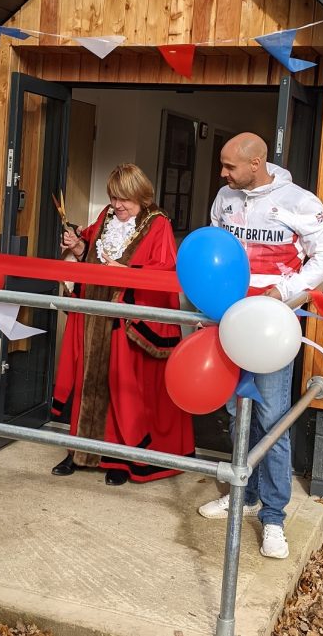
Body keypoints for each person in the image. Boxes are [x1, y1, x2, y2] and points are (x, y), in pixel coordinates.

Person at [197, 133, 323, 560]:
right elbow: (215, 248)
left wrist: (284, 290)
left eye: (229, 166)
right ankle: (247, 496)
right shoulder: (225, 196)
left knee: (273, 417)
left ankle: (274, 517)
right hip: (228, 319)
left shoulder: (299, 201)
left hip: (273, 325)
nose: (222, 174)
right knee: (237, 409)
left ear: (256, 163)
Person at [51, 163, 194, 485]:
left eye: (124, 199)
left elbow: (166, 271)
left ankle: (119, 459)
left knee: (121, 389)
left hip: (126, 318)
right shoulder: (104, 218)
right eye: (113, 198)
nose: (117, 205)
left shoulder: (158, 225)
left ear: (141, 196)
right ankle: (80, 450)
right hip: (94, 314)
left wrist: (128, 274)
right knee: (89, 380)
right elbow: (91, 252)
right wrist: (77, 247)